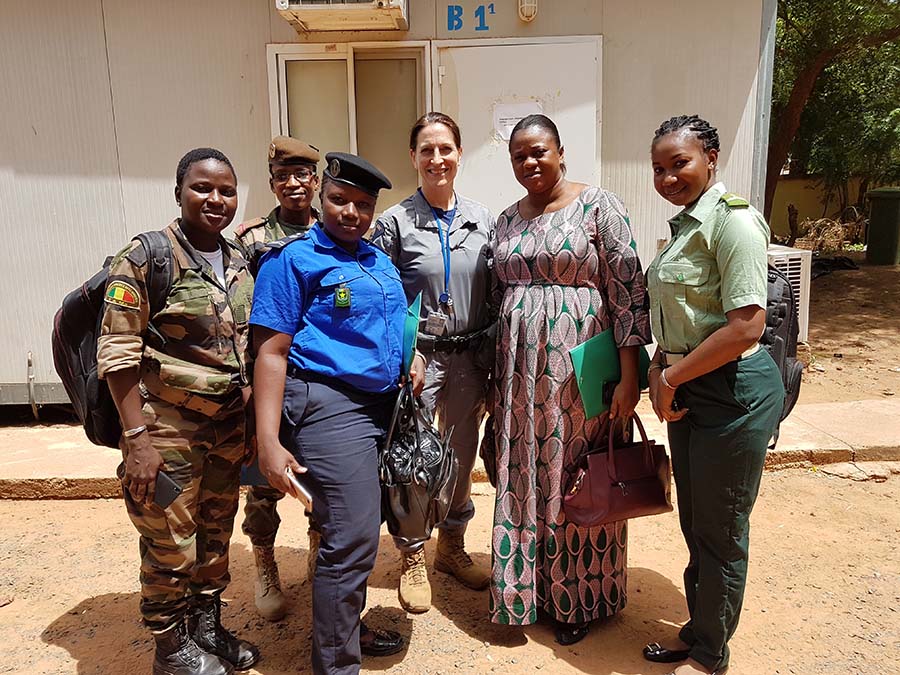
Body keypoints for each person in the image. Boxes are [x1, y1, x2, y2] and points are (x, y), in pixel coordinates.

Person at [251, 152, 425, 674]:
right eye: (340, 200)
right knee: (351, 537)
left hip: (382, 405)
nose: (352, 212)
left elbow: (391, 321)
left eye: (364, 205)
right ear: (320, 198)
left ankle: (345, 627)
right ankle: (335, 665)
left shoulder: (376, 261)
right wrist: (268, 441)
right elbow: (270, 352)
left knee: (361, 524)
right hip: (328, 406)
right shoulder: (294, 260)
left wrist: (409, 354)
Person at [490, 114, 651, 645]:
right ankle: (522, 591)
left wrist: (629, 378)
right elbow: (498, 300)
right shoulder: (507, 220)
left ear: (561, 151)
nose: (530, 162)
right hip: (518, 380)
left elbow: (628, 295)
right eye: (520, 156)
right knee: (521, 476)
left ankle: (577, 598)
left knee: (576, 475)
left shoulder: (600, 207)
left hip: (584, 376)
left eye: (539, 151)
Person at [98, 147, 260, 675]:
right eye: (202, 188)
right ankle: (170, 647)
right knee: (170, 538)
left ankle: (206, 628)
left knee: (215, 530)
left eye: (227, 190)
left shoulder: (237, 258)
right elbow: (118, 353)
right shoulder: (147, 256)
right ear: (179, 192)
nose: (216, 199)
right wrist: (137, 439)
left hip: (226, 426)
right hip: (166, 427)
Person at [642, 115, 784, 675]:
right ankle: (703, 626)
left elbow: (746, 326)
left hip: (734, 392)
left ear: (711, 159)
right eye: (659, 167)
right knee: (696, 520)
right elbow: (683, 318)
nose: (668, 176)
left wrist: (673, 378)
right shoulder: (687, 228)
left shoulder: (735, 225)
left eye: (680, 163)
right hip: (691, 389)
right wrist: (660, 366)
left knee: (721, 527)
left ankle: (708, 653)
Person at [371, 112, 494, 614]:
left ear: (460, 154)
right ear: (414, 158)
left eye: (446, 148)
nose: (437, 158)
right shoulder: (395, 224)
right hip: (419, 361)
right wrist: (403, 354)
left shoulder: (486, 221)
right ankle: (412, 553)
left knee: (462, 457)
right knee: (413, 458)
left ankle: (453, 545)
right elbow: (377, 295)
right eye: (427, 150)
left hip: (469, 360)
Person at [234, 135, 322, 622]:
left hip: (318, 380)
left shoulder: (332, 231)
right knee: (263, 478)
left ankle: (315, 546)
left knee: (317, 471)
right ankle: (264, 560)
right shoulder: (250, 240)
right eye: (283, 177)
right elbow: (238, 315)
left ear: (315, 180)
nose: (293, 184)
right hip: (267, 376)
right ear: (271, 184)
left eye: (302, 175)